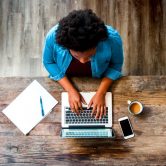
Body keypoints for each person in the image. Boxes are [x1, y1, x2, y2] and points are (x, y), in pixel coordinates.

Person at [42, 9, 123, 119]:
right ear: (66, 46)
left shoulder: (112, 39)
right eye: (76, 56)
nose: (83, 61)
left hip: (99, 78)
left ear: (98, 43)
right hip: (66, 76)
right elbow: (49, 62)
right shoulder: (53, 37)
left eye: (90, 55)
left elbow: (116, 65)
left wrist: (101, 93)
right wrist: (70, 90)